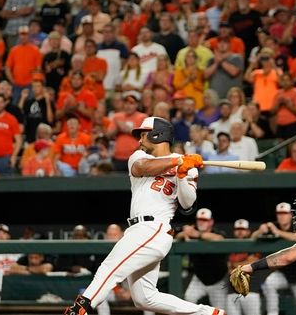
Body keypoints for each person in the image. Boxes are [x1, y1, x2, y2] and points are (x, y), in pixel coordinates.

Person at [62, 116, 225, 315]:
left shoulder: (186, 167)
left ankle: (81, 308)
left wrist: (183, 174)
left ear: (159, 134)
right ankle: (208, 314)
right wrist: (178, 160)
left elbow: (187, 203)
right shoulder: (139, 157)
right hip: (140, 230)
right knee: (145, 298)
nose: (140, 140)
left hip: (153, 228)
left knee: (110, 267)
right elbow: (142, 169)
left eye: (143, 135)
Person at [251, 202, 296, 315]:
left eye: (285, 213)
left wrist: (277, 232)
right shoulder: (273, 225)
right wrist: (259, 231)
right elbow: (252, 237)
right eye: (279, 213)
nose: (282, 216)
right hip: (283, 272)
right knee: (269, 283)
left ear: (291, 215)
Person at [175, 208, 227, 311]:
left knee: (220, 310)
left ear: (211, 222)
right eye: (199, 220)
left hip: (218, 279)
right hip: (199, 279)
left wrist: (197, 235)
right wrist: (184, 233)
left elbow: (220, 239)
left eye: (205, 220)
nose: (201, 222)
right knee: (188, 300)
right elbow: (178, 237)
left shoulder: (216, 232)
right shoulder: (193, 230)